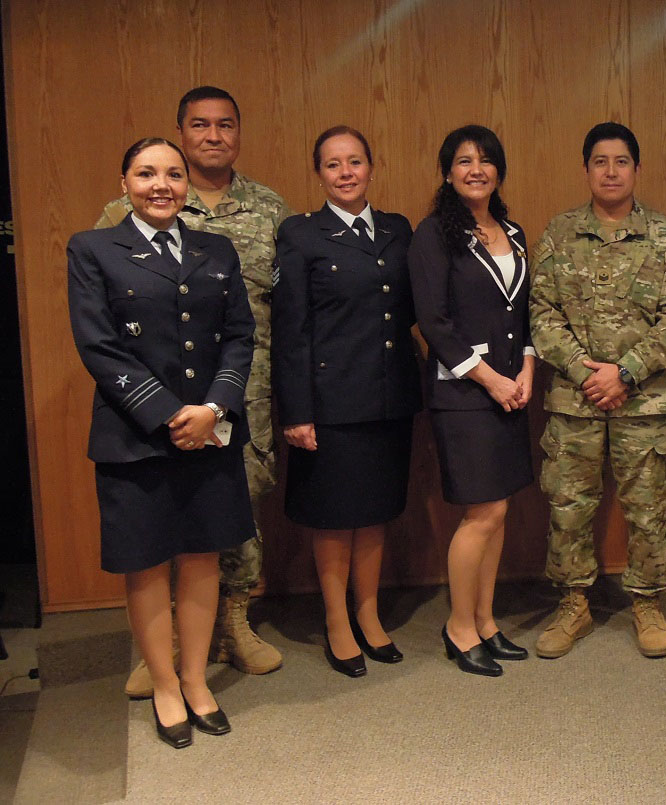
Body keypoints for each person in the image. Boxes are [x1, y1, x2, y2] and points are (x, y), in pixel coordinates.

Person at [97, 86, 291, 695]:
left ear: (239, 132)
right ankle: (169, 646)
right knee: (159, 515)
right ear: (181, 132)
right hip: (152, 397)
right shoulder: (120, 212)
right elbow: (104, 317)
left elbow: (281, 306)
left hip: (240, 386)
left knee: (237, 506)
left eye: (225, 125)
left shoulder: (268, 208)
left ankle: (235, 621)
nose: (214, 135)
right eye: (200, 125)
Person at [68, 138, 255, 747]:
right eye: (146, 173)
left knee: (202, 558)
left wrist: (214, 408)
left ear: (186, 186)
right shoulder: (94, 248)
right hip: (135, 436)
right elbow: (98, 344)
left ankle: (197, 679)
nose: (161, 184)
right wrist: (171, 414)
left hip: (210, 431)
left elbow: (239, 336)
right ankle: (166, 684)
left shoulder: (216, 248)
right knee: (147, 565)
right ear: (123, 182)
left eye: (173, 175)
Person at [529, 122, 666, 659]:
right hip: (574, 400)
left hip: (643, 400)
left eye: (620, 161)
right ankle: (573, 602)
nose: (610, 171)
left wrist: (622, 372)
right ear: (586, 170)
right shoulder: (558, 234)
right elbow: (541, 313)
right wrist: (586, 371)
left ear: (636, 169)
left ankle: (647, 602)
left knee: (647, 508)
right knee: (569, 505)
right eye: (599, 161)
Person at [271, 126, 421, 677]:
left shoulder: (398, 230)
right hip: (330, 403)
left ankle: (370, 614)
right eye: (333, 165)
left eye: (355, 161)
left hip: (388, 397)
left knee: (376, 512)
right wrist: (298, 411)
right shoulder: (301, 234)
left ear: (370, 167)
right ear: (319, 174)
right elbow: (292, 330)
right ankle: (338, 622)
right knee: (334, 518)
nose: (346, 173)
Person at [409, 125, 535, 677]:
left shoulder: (513, 230)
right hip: (464, 391)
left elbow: (524, 313)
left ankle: (486, 621)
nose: (475, 170)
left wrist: (526, 370)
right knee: (480, 511)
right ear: (447, 172)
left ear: (499, 171)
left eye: (485, 161)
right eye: (463, 161)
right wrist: (491, 380)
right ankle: (459, 627)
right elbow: (434, 323)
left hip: (513, 388)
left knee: (500, 508)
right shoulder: (433, 234)